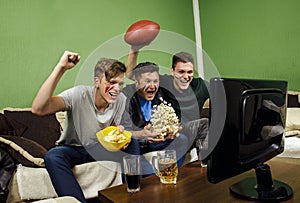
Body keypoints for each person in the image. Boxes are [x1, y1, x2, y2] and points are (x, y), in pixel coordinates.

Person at [31, 50, 140, 203]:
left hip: (98, 147)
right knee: (53, 156)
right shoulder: (78, 95)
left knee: (132, 141)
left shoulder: (120, 99)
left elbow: (112, 128)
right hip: (73, 148)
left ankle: (133, 195)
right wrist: (61, 68)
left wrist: (119, 135)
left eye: (120, 83)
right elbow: (38, 108)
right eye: (111, 83)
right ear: (97, 82)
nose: (116, 88)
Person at [126, 46, 210, 162]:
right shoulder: (164, 83)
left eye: (189, 72)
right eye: (181, 72)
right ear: (172, 71)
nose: (185, 76)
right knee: (180, 139)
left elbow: (223, 94)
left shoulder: (201, 85)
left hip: (184, 128)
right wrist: (134, 48)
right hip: (164, 132)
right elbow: (132, 74)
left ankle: (206, 164)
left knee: (204, 124)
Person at [121, 62, 188, 175]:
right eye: (147, 81)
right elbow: (125, 133)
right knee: (150, 173)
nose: (152, 86)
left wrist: (170, 130)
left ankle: (171, 173)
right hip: (137, 144)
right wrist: (143, 134)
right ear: (137, 83)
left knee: (181, 139)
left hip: (155, 141)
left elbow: (168, 119)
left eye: (155, 81)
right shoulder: (125, 97)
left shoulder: (161, 94)